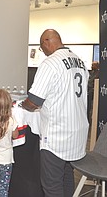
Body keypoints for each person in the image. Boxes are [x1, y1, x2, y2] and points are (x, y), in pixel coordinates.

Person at [22, 29, 89, 197]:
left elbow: (34, 102)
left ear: (46, 42)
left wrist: (23, 104)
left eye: (41, 46)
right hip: (77, 133)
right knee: (67, 176)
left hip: (56, 135)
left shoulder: (50, 63)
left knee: (51, 185)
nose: (42, 51)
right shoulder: (79, 60)